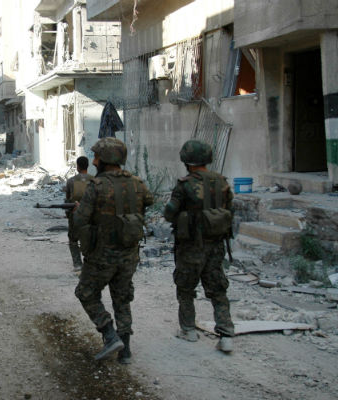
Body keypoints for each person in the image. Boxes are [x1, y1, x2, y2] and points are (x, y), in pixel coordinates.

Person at [74, 137, 153, 363]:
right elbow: (148, 201)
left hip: (102, 255)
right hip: (129, 254)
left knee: (86, 293)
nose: (94, 161)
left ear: (106, 159)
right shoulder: (137, 183)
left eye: (97, 157)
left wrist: (80, 209)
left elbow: (80, 220)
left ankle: (109, 335)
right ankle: (125, 351)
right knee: (122, 298)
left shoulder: (97, 186)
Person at [163, 139, 235, 353]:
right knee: (218, 289)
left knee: (185, 288)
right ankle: (226, 335)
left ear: (187, 161)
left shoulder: (185, 185)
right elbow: (230, 210)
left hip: (191, 247)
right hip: (216, 246)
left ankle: (188, 330)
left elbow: (169, 213)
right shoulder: (222, 182)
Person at [64, 156, 93, 271]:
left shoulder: (71, 181)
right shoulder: (94, 180)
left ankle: (77, 264)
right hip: (91, 215)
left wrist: (68, 214)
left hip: (75, 214)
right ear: (87, 166)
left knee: (73, 239)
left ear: (78, 166)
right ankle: (90, 262)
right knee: (91, 239)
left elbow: (67, 199)